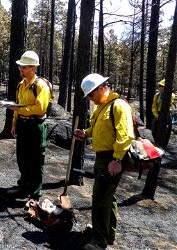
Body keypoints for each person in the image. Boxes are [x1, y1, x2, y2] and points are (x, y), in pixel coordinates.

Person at [73, 74, 135, 250]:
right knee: (108, 198)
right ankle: (108, 233)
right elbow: (99, 128)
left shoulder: (118, 105)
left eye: (91, 95)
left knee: (100, 199)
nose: (90, 100)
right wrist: (86, 133)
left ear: (101, 88)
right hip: (103, 158)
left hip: (111, 158)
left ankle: (99, 242)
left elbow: (126, 136)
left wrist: (116, 159)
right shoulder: (102, 106)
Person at [7, 51, 52, 200]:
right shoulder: (21, 85)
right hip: (23, 125)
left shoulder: (41, 86)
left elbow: (40, 109)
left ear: (33, 68)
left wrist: (19, 109)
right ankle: (23, 188)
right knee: (22, 159)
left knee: (36, 161)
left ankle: (35, 193)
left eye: (24, 67)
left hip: (36, 126)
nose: (21, 70)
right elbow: (18, 105)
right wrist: (14, 123)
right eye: (21, 67)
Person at [151, 79, 175, 145]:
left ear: (165, 87)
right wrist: (156, 115)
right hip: (158, 114)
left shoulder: (171, 95)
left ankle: (164, 145)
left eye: (161, 86)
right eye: (159, 85)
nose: (159, 87)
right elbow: (154, 106)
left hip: (167, 114)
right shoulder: (157, 95)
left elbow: (169, 103)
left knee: (166, 130)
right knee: (154, 129)